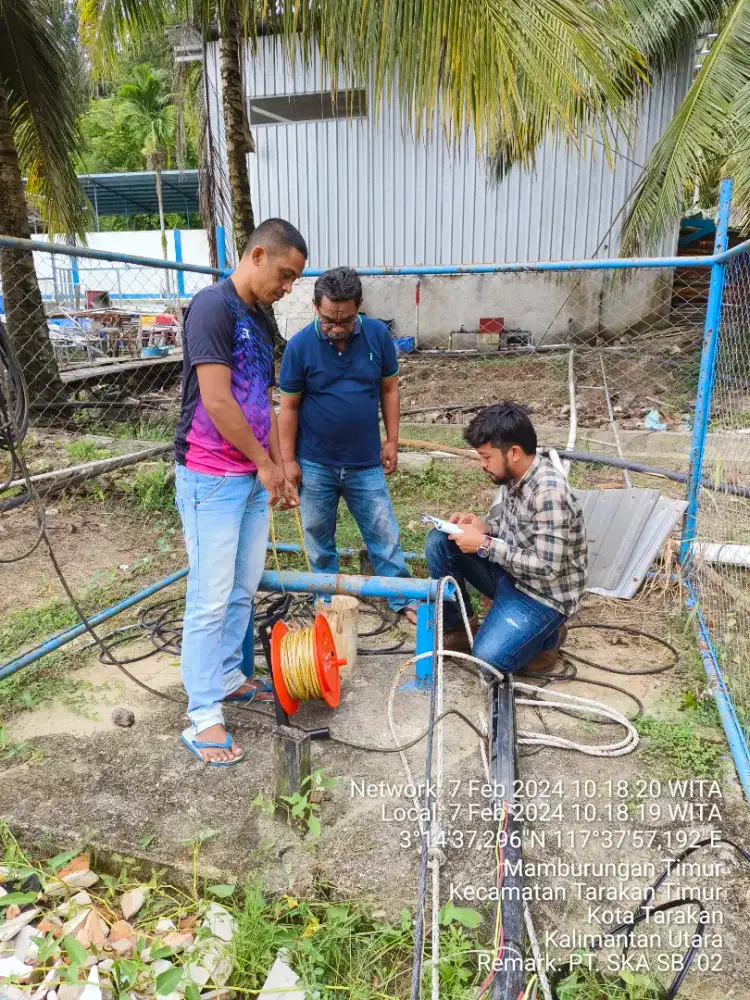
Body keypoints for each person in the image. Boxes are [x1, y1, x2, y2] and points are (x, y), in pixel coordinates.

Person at [175, 218, 307, 766]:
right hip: (212, 475)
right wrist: (262, 464)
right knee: (208, 596)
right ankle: (202, 714)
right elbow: (217, 400)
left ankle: (228, 675)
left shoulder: (259, 316)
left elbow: (267, 399)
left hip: (251, 475)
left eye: (295, 278)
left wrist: (279, 466)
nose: (289, 286)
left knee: (240, 587)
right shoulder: (213, 306)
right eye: (285, 274)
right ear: (256, 254)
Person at [277, 266, 416, 618]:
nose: (337, 328)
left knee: (384, 535)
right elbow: (289, 407)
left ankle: (402, 598)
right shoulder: (298, 347)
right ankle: (326, 601)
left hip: (365, 461)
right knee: (317, 538)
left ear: (360, 305)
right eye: (328, 320)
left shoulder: (378, 336)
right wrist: (288, 460)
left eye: (346, 319)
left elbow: (389, 388)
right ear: (314, 306)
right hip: (314, 463)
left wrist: (392, 440)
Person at [425, 402, 587, 675]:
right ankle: (460, 628)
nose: (482, 464)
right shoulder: (516, 476)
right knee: (440, 541)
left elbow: (547, 568)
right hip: (513, 575)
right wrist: (486, 527)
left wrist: (484, 545)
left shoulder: (549, 493)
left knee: (487, 663)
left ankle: (548, 639)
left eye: (486, 457)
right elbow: (519, 528)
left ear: (513, 452)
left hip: (542, 595)